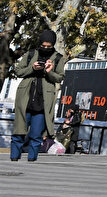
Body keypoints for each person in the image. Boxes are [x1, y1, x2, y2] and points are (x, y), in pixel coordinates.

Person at [10, 29, 67, 162]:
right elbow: (18, 71)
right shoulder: (30, 54)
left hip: (43, 102)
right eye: (43, 45)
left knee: (36, 135)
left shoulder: (58, 58)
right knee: (19, 131)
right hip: (25, 99)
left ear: (53, 45)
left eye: (49, 46)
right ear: (40, 43)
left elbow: (59, 77)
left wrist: (49, 71)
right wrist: (32, 68)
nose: (46, 48)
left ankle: (31, 159)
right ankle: (14, 157)